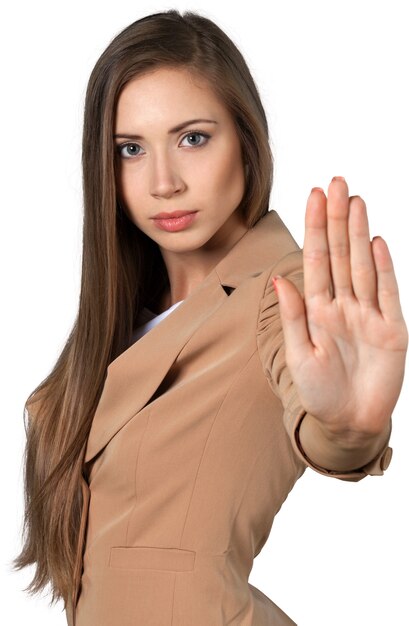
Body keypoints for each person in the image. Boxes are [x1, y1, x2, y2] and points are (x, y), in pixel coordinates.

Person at [12, 9, 407, 626]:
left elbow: (320, 415)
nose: (163, 181)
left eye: (193, 138)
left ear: (246, 142)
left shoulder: (289, 289)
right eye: (131, 149)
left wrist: (351, 428)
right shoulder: (124, 319)